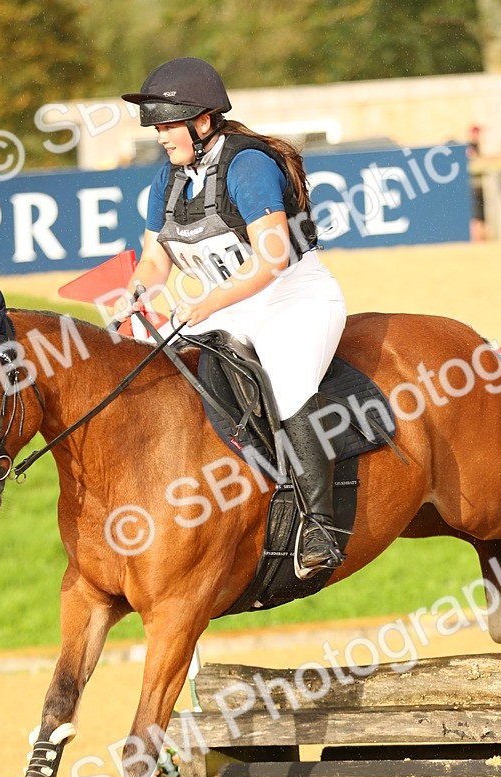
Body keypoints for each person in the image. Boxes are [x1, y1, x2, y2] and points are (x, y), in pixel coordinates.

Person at [120, 57, 347, 571]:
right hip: (226, 306)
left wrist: (206, 303)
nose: (160, 135)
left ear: (203, 122)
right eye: (155, 126)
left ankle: (319, 528)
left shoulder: (247, 166)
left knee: (287, 387)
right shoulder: (169, 180)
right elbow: (155, 260)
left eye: (166, 124)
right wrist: (136, 292)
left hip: (294, 299)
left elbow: (271, 260)